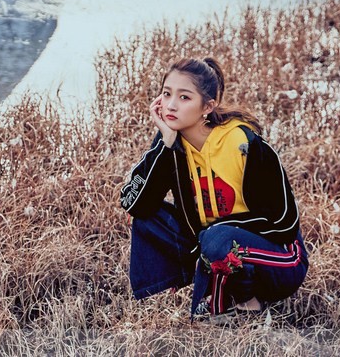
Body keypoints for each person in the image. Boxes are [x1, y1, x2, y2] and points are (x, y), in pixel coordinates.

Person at [120, 56, 308, 321]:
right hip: (212, 246)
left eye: (184, 98)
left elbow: (285, 224)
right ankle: (213, 284)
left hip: (281, 261)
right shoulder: (171, 143)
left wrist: (214, 235)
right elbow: (134, 203)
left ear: (207, 106)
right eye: (166, 93)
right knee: (149, 218)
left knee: (216, 240)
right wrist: (165, 144)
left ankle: (247, 304)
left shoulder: (243, 144)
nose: (171, 105)